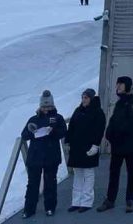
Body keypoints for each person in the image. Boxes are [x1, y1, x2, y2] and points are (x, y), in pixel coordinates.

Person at [97, 76, 133, 214]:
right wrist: (109, 134)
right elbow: (114, 120)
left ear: (127, 86)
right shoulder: (119, 103)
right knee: (114, 172)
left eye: (120, 85)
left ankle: (130, 200)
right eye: (117, 84)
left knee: (131, 173)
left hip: (130, 144)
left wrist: (117, 133)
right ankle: (110, 200)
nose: (117, 87)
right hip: (117, 145)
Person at [20, 90, 67, 219]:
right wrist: (33, 132)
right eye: (44, 106)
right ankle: (29, 209)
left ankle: (50, 207)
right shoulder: (33, 119)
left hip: (51, 156)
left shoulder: (58, 118)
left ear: (53, 106)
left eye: (49, 106)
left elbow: (63, 132)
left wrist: (52, 132)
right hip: (35, 157)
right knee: (32, 184)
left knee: (50, 183)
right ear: (40, 106)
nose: (46, 109)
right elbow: (24, 135)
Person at [65, 88, 106, 213]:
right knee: (78, 174)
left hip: (89, 147)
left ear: (92, 98)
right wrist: (68, 141)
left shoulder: (98, 112)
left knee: (88, 174)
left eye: (86, 97)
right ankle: (76, 201)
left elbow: (100, 129)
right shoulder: (78, 110)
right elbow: (71, 126)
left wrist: (96, 145)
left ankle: (87, 202)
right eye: (83, 97)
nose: (84, 100)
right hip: (76, 147)